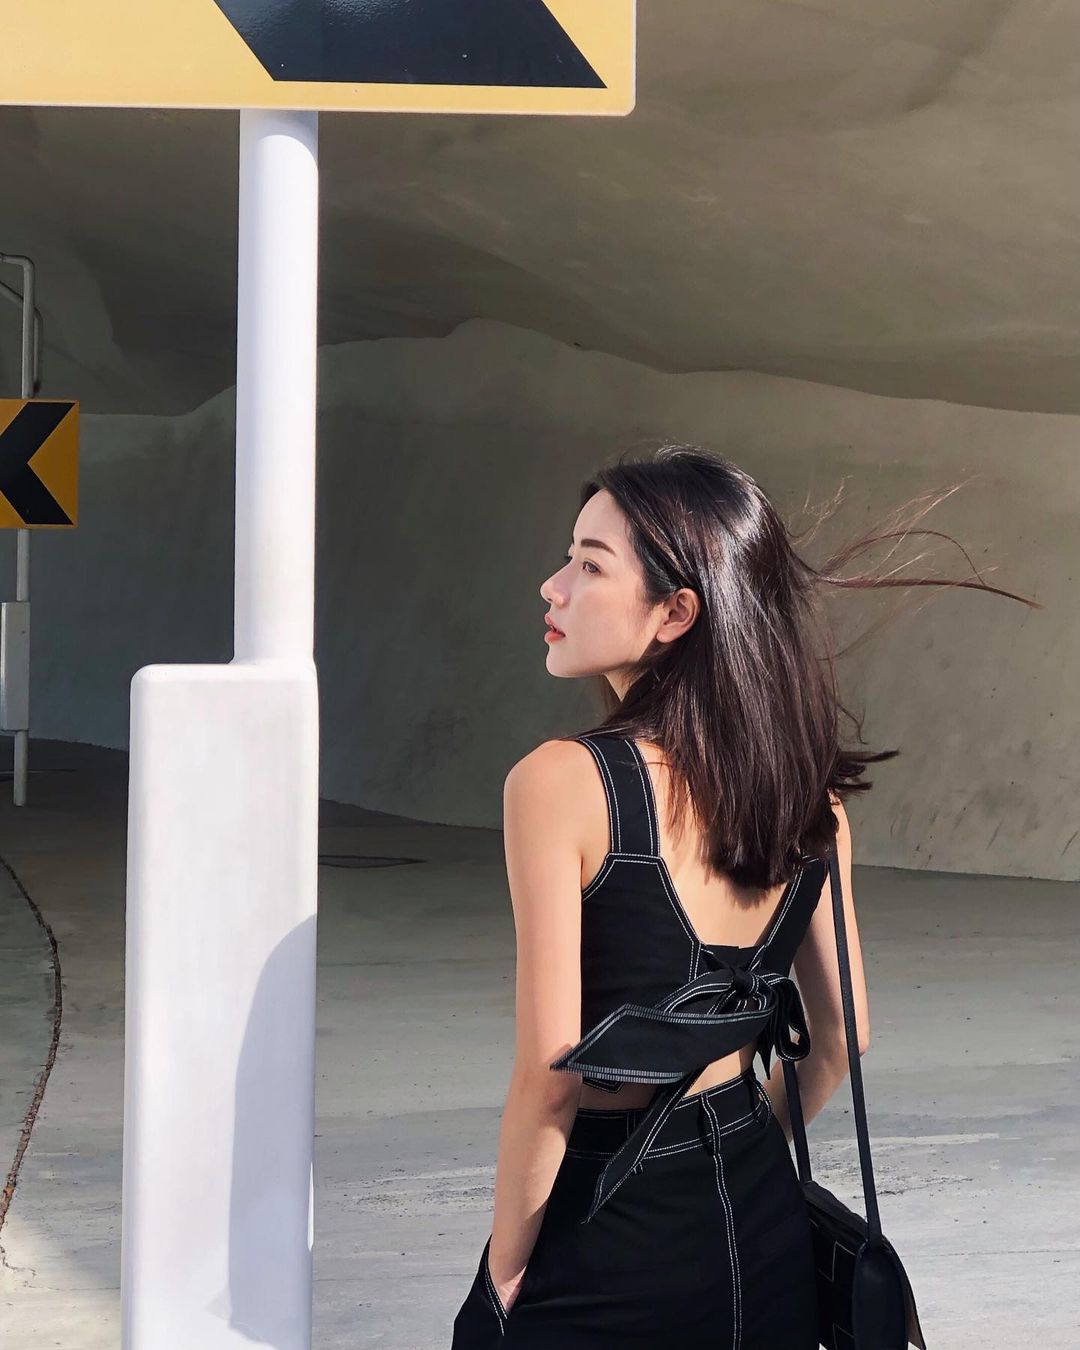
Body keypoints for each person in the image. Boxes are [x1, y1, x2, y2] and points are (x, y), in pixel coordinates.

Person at [450, 444, 1033, 1349]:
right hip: (763, 1217)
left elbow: (553, 1078)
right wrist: (739, 1142)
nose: (552, 587)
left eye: (590, 566)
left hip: (609, 1226)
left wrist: (502, 1276)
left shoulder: (561, 783)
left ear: (677, 612)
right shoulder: (812, 800)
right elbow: (842, 1037)